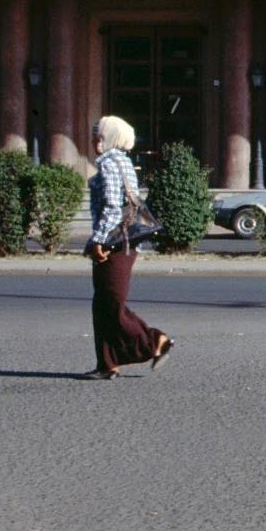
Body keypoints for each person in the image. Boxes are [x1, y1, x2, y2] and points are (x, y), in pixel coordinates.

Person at [86, 115, 172, 379]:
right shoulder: (118, 162)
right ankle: (107, 364)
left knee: (111, 303)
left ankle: (154, 341)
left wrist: (99, 239)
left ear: (109, 138)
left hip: (116, 243)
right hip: (119, 241)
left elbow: (113, 207)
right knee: (103, 304)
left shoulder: (112, 164)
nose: (93, 139)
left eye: (97, 134)